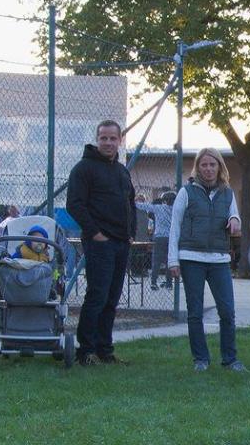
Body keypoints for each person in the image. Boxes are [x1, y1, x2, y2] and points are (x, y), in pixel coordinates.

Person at [168, 147, 245, 372]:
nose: (209, 169)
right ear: (198, 167)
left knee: (227, 311)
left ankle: (230, 359)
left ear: (219, 167)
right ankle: (200, 359)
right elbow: (175, 227)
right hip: (191, 258)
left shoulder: (227, 193)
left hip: (219, 259)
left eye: (213, 164)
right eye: (204, 165)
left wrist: (234, 219)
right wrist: (173, 260)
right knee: (195, 312)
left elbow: (234, 215)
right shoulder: (186, 192)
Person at [67, 119, 135, 365]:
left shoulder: (122, 171)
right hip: (99, 243)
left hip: (121, 243)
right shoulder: (83, 169)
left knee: (112, 298)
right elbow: (75, 204)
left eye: (112, 138)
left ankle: (105, 350)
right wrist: (95, 233)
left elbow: (131, 203)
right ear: (97, 139)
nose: (108, 143)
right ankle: (86, 351)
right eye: (103, 138)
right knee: (97, 295)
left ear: (120, 141)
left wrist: (131, 233)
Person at [135, 191, 175, 290]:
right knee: (169, 261)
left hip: (159, 237)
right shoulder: (176, 209)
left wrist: (133, 201)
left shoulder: (159, 208)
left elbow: (143, 206)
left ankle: (153, 282)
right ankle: (169, 283)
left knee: (156, 260)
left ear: (164, 200)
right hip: (171, 237)